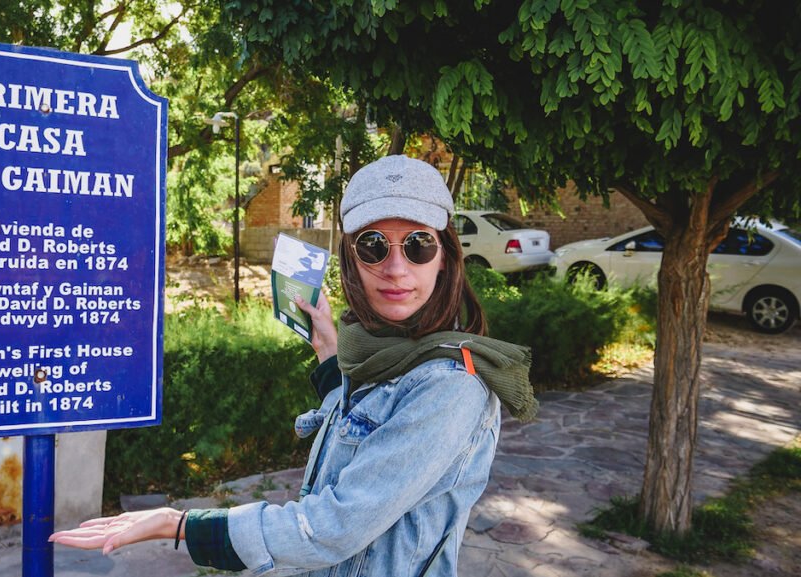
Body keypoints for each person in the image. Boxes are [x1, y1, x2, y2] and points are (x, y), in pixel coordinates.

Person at [50, 155, 536, 576]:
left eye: (417, 245)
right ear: (350, 259)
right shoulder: (380, 354)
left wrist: (178, 524)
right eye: (373, 246)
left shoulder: (450, 387)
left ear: (445, 259)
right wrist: (328, 355)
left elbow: (333, 527)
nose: (395, 268)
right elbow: (366, 433)